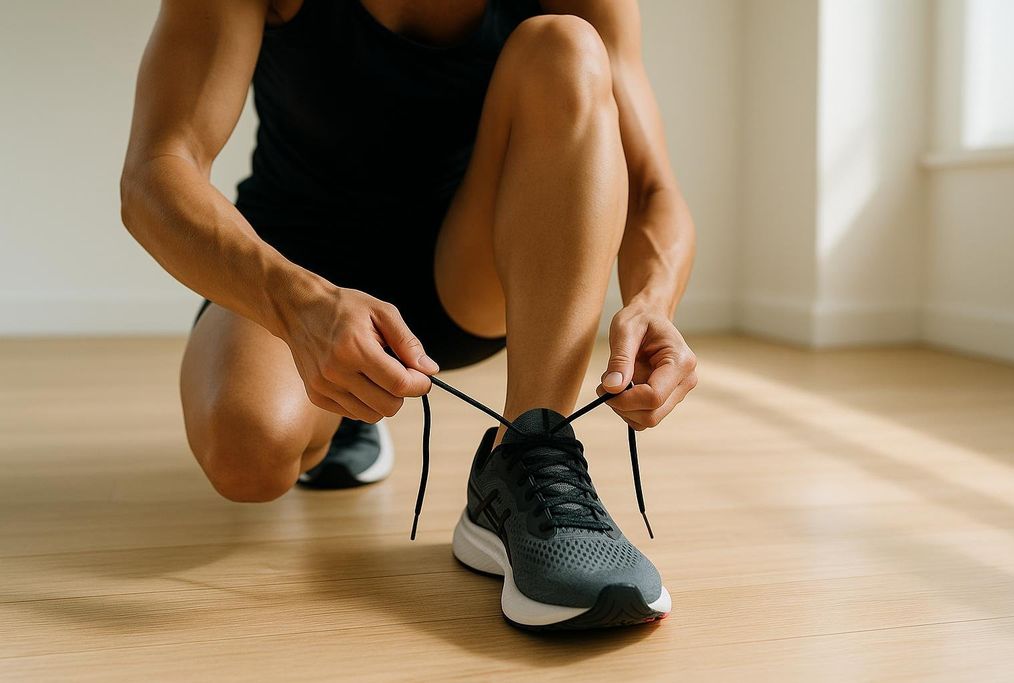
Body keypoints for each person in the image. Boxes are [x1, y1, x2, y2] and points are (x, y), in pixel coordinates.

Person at [120, 0, 697, 630]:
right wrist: (295, 303)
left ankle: (529, 451)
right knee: (246, 451)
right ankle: (344, 405)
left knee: (567, 46)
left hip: (472, 268)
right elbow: (157, 170)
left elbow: (651, 188)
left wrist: (654, 302)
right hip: (299, 271)